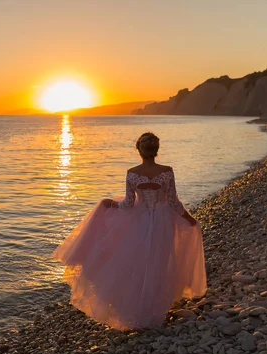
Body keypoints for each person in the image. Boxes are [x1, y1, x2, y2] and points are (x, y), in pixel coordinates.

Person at [52, 132, 206, 330]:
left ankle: (138, 310)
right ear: (157, 150)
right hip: (163, 220)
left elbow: (128, 203)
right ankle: (156, 308)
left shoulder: (132, 173)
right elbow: (173, 202)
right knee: (160, 262)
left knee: (139, 264)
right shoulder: (167, 171)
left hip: (139, 222)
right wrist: (189, 219)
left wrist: (110, 205)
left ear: (139, 150)